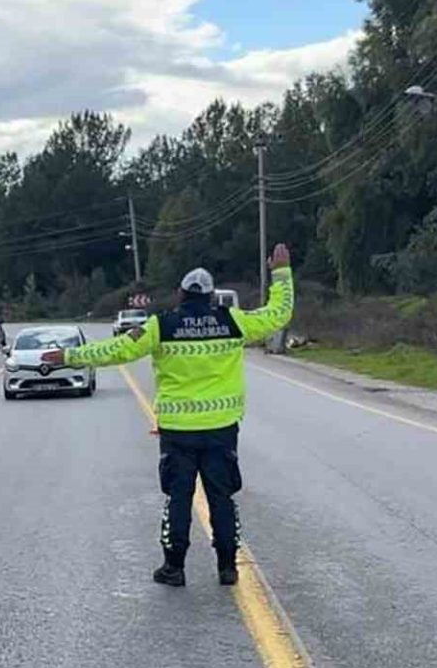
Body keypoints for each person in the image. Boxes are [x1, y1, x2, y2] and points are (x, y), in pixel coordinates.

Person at [41, 244, 295, 586]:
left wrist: (70, 356)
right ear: (211, 297)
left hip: (178, 432)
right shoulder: (233, 321)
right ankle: (227, 567)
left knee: (179, 498)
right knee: (221, 498)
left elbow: (117, 349)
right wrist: (281, 273)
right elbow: (278, 314)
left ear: (180, 294)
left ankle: (174, 567)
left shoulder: (162, 326)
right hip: (221, 430)